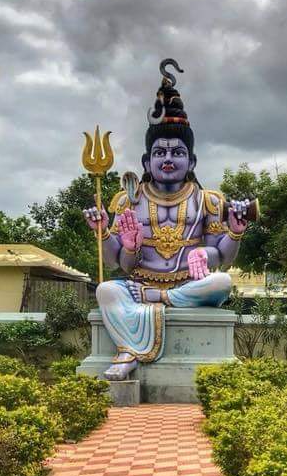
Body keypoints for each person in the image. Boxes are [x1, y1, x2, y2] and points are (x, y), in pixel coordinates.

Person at [83, 60, 256, 379]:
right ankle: (129, 352)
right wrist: (109, 235)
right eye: (160, 153)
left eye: (176, 153)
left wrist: (227, 238)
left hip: (189, 285)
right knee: (107, 290)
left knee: (222, 283)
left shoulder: (208, 200)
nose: (168, 159)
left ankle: (148, 318)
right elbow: (119, 264)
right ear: (147, 161)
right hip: (139, 284)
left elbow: (223, 259)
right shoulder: (127, 200)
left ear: (191, 160)